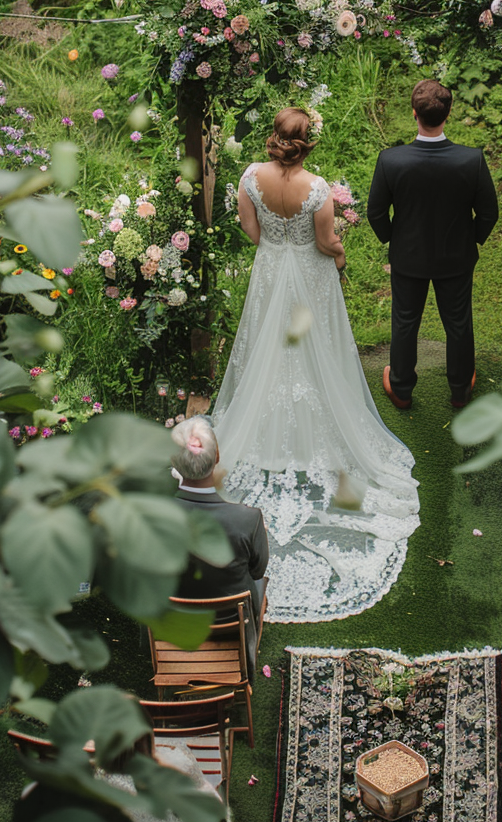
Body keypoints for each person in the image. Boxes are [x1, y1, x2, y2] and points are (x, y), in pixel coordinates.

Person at [211, 107, 420, 624]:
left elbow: (250, 229)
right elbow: (327, 240)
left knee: (267, 347)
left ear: (275, 139)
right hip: (309, 275)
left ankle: (266, 424)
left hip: (270, 271)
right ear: (306, 143)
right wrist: (339, 257)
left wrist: (277, 253)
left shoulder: (249, 177)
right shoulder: (318, 188)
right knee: (311, 349)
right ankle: (315, 426)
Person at [367, 79, 499, 410]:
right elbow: (488, 213)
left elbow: (376, 213)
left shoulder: (391, 160)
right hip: (456, 258)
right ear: (448, 113)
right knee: (458, 322)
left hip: (408, 257)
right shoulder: (471, 160)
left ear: (414, 114)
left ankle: (401, 388)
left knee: (404, 321)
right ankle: (459, 390)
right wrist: (472, 240)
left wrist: (392, 238)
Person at [170, 416, 268, 623]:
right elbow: (258, 571)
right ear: (217, 457)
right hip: (231, 625)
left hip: (169, 623)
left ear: (173, 462)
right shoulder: (249, 518)